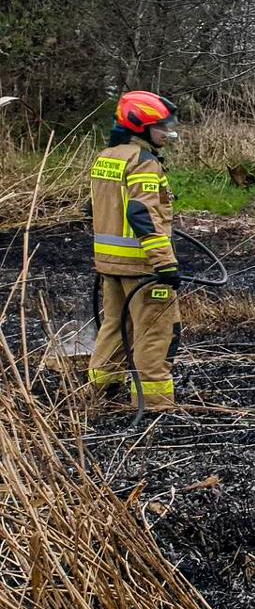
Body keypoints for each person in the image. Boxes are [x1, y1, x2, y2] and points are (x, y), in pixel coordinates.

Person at [86, 91, 182, 412]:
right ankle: (154, 405)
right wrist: (165, 263)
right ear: (141, 126)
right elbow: (142, 214)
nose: (167, 133)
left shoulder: (106, 157)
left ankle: (100, 392)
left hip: (110, 265)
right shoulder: (144, 163)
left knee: (114, 327)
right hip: (142, 268)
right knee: (155, 333)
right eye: (161, 127)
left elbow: (95, 208)